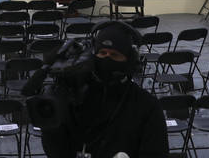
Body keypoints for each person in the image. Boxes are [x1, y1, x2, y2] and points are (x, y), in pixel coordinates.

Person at [35, 21, 169, 158]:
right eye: (102, 53)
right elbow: (56, 152)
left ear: (129, 60)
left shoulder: (146, 105)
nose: (107, 59)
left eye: (114, 55)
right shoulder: (76, 98)